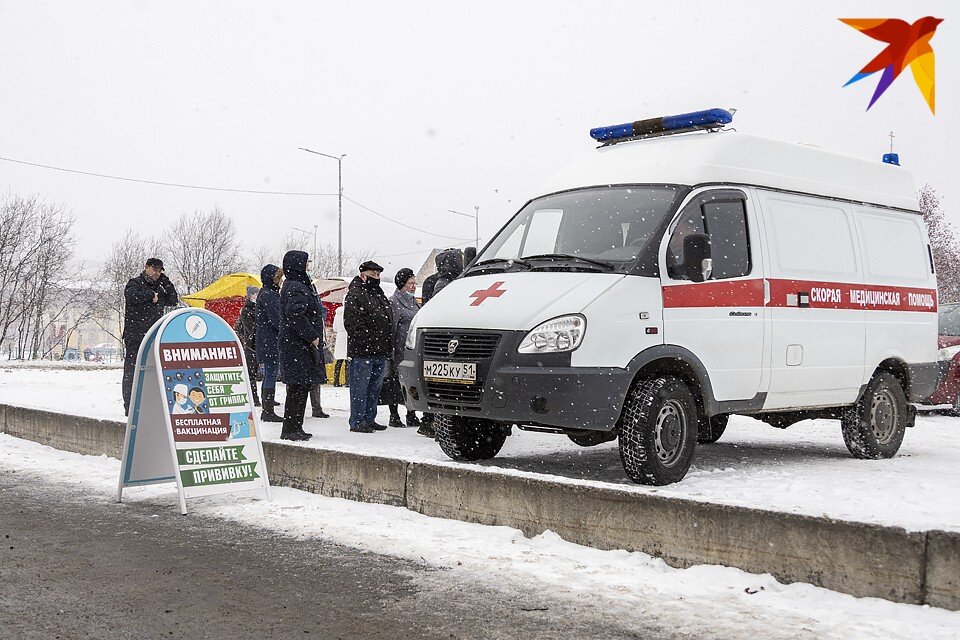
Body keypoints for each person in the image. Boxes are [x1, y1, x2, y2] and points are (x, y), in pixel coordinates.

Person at [278, 250, 326, 441]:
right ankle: (291, 428)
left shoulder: (296, 285)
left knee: (301, 386)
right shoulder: (296, 287)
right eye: (306, 263)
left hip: (297, 345)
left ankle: (295, 426)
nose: (308, 267)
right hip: (297, 345)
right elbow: (296, 315)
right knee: (297, 388)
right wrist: (312, 336)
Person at [122, 257, 179, 415]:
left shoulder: (161, 287)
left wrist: (166, 282)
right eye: (154, 269)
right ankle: (130, 405)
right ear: (146, 267)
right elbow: (131, 296)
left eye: (160, 271)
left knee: (153, 371)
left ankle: (150, 404)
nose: (156, 273)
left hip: (154, 336)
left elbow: (173, 300)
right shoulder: (135, 283)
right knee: (132, 371)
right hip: (136, 335)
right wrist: (150, 295)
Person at [343, 260, 393, 433]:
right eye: (373, 275)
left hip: (378, 350)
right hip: (363, 351)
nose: (376, 278)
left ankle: (369, 418)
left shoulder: (377, 293)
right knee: (360, 388)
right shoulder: (356, 293)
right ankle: (357, 420)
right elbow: (352, 323)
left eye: (378, 275)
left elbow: (386, 318)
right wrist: (369, 339)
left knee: (374, 388)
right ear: (363, 275)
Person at [381, 268, 420, 428]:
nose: (414, 286)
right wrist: (391, 351)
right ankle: (394, 415)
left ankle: (411, 414)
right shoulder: (394, 302)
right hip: (398, 350)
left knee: (410, 382)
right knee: (395, 383)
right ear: (402, 284)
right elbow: (392, 328)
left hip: (411, 349)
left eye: (414, 283)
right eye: (410, 283)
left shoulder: (413, 301)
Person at [256, 264, 284, 423]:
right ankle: (268, 410)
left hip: (267, 340)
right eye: (278, 278)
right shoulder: (269, 295)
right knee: (271, 373)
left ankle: (268, 406)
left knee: (270, 373)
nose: (280, 281)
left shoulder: (266, 293)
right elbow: (277, 319)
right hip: (270, 341)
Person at [235, 285, 261, 407]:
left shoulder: (260, 309)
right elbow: (249, 329)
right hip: (251, 346)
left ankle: (262, 397)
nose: (255, 297)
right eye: (253, 295)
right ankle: (254, 397)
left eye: (257, 294)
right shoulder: (246, 310)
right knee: (251, 374)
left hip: (259, 345)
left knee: (258, 373)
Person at [332, 305, 348, 387]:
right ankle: (348, 381)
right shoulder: (349, 312)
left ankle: (336, 381)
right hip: (346, 338)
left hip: (339, 339)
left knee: (339, 362)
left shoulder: (337, 314)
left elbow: (334, 328)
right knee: (347, 361)